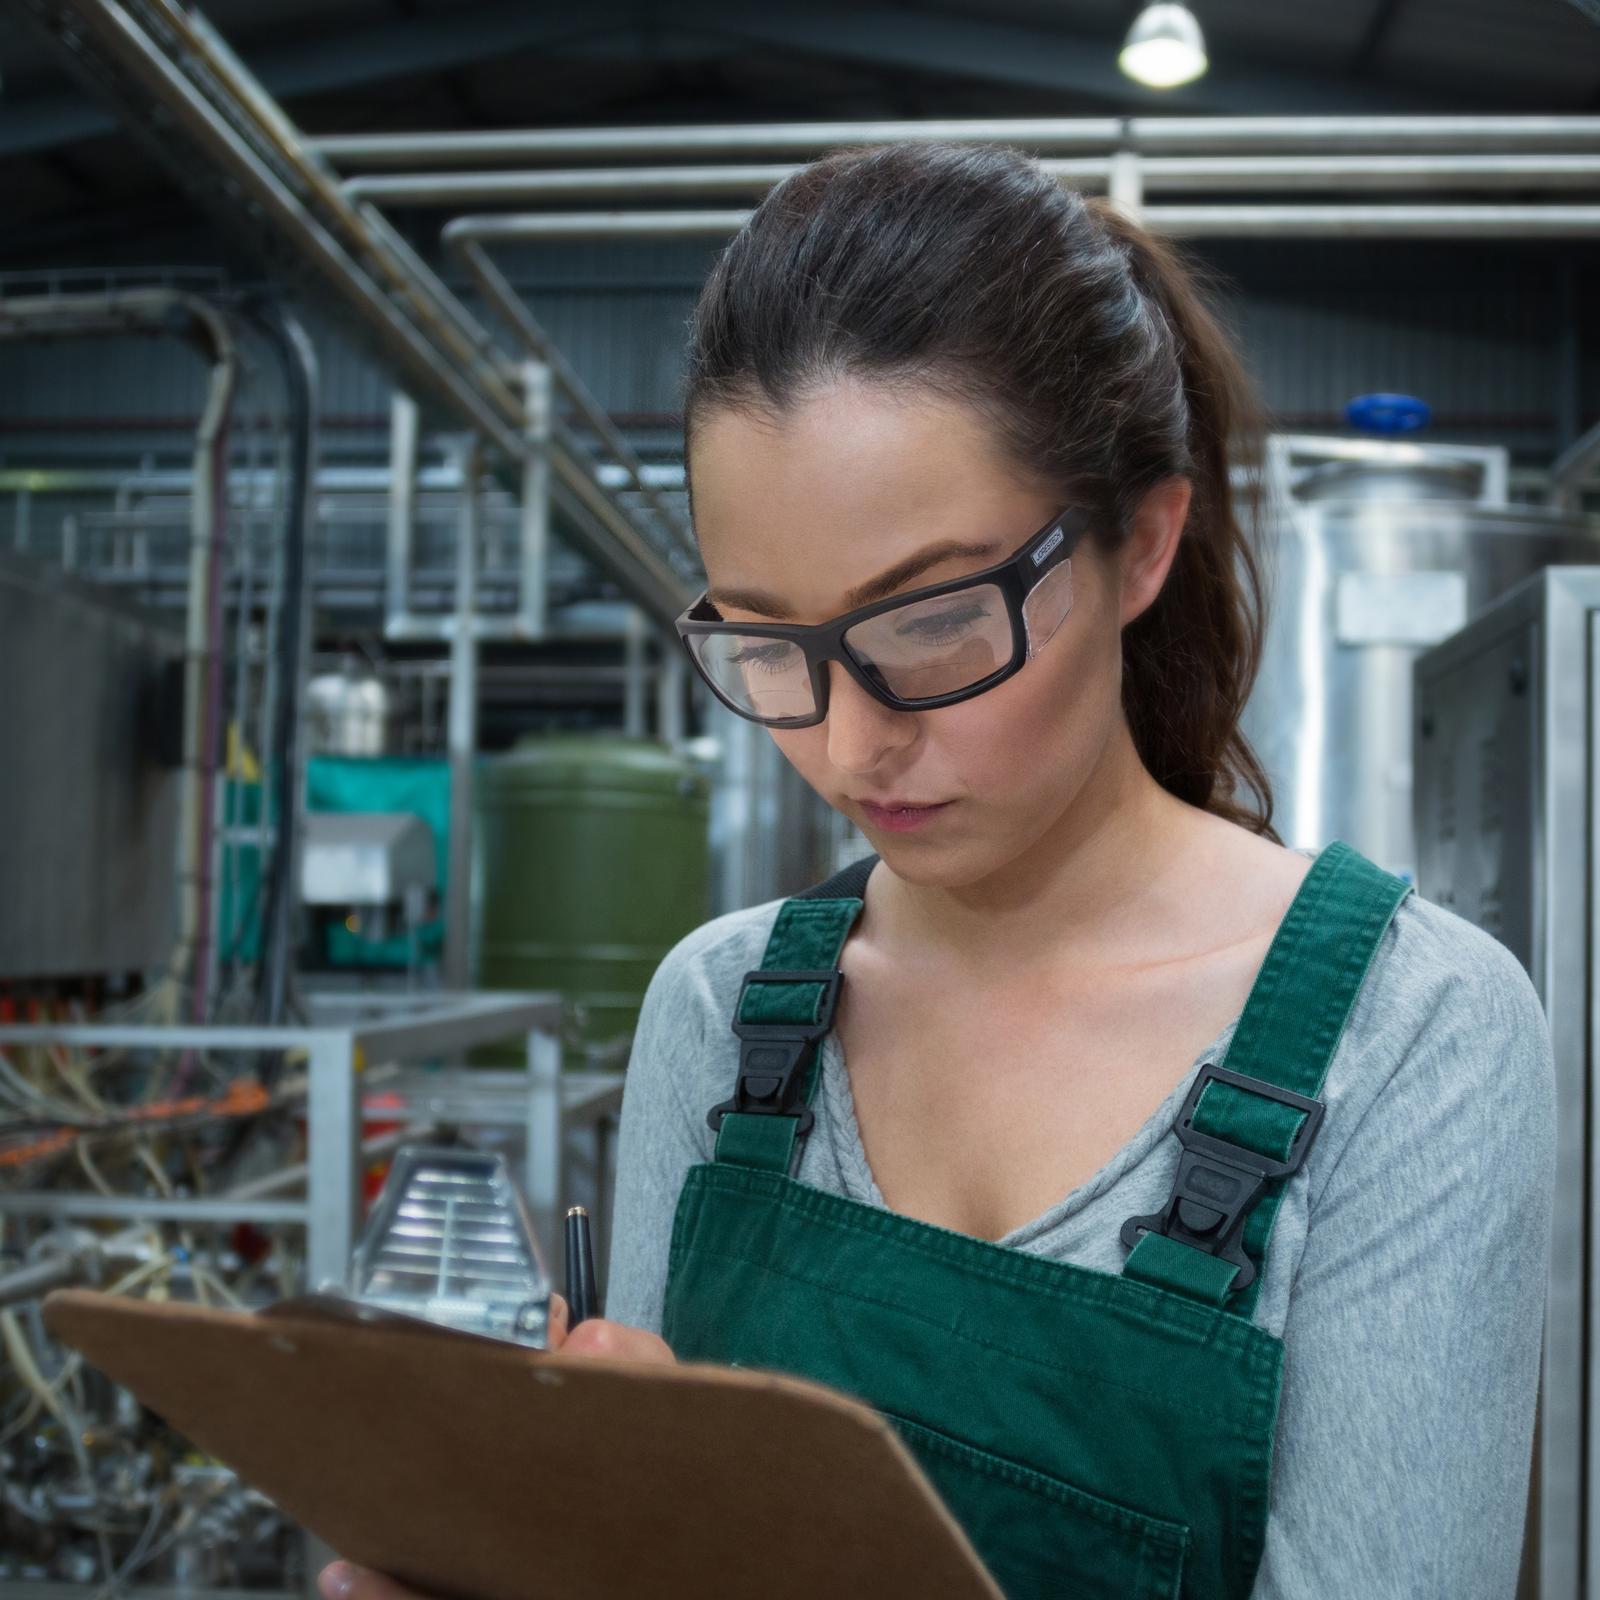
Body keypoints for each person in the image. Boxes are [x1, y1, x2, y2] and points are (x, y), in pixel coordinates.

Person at [323, 144, 1554, 1600]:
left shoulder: (1410, 1037)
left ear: (1141, 544)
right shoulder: (721, 1012)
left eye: (926, 626)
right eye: (768, 645)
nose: (850, 747)